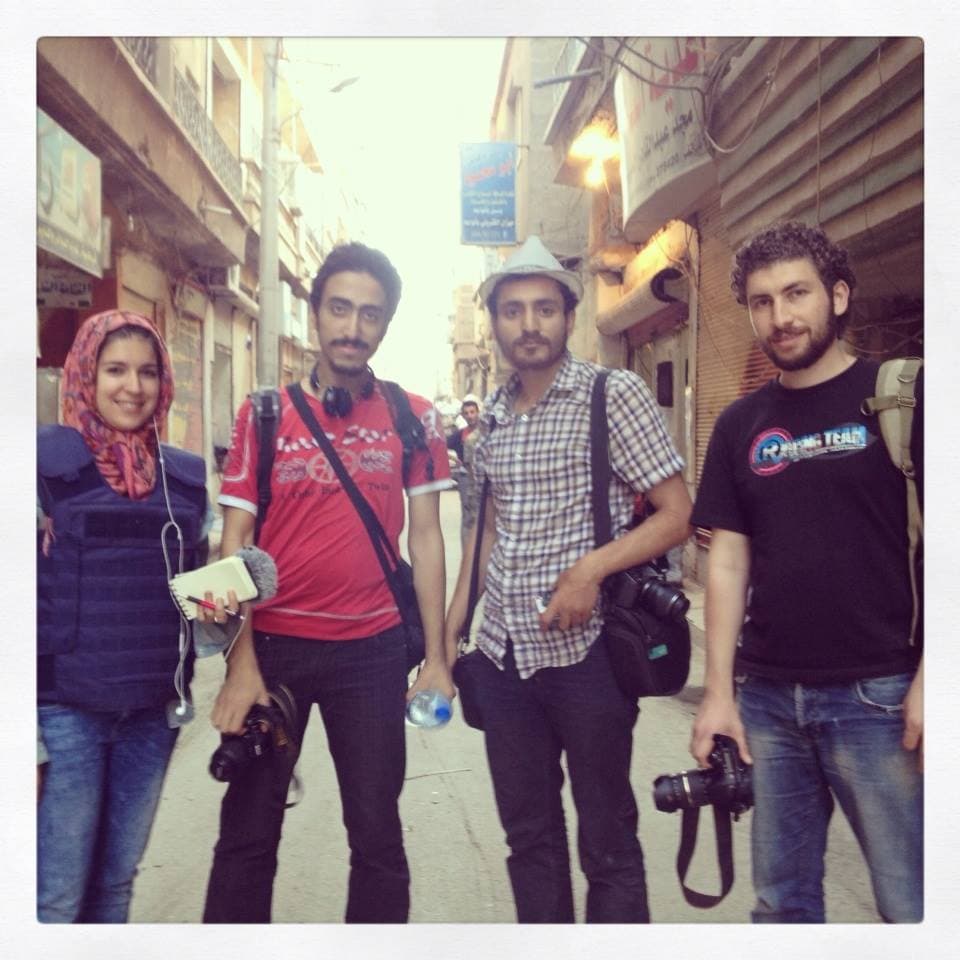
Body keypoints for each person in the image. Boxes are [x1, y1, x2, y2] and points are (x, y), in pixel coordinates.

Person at [201, 242, 454, 924]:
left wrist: (437, 658)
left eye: (370, 315)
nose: (353, 327)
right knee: (247, 838)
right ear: (313, 314)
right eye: (339, 308)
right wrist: (239, 665)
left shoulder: (413, 415)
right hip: (273, 652)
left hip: (370, 658)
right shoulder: (263, 414)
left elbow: (426, 538)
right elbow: (233, 547)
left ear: (385, 326)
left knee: (376, 838)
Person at [443, 236, 692, 923]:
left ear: (569, 317)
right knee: (528, 840)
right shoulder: (488, 420)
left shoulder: (613, 394)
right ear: (493, 323)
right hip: (504, 661)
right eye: (514, 310)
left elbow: (677, 515)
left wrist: (591, 569)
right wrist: (447, 649)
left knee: (607, 841)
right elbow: (483, 541)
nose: (530, 324)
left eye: (545, 309)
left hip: (588, 662)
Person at [689, 220, 923, 923]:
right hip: (767, 701)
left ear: (840, 296)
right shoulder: (739, 425)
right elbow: (726, 561)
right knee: (781, 903)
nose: (780, 316)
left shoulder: (903, 397)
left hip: (879, 698)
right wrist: (719, 695)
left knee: (913, 904)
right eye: (761, 301)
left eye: (797, 293)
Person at [36, 310, 209, 922]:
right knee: (55, 895)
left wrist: (232, 594)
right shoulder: (40, 467)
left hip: (151, 716)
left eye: (147, 372)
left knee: (115, 886)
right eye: (114, 370)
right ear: (85, 375)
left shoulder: (185, 484)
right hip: (64, 716)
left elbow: (201, 620)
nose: (133, 388)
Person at [446, 393, 482, 547]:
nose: (470, 416)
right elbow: (441, 445)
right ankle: (468, 552)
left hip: (483, 478)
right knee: (468, 517)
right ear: (462, 415)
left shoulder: (486, 431)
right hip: (466, 479)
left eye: (472, 412)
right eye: (466, 413)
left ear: (478, 412)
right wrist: (456, 460)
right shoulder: (460, 434)